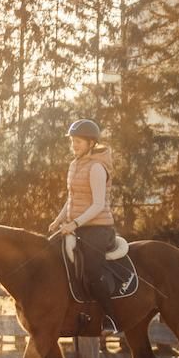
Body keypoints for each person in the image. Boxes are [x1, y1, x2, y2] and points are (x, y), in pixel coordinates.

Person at [47, 118, 120, 325]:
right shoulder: (75, 165)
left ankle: (110, 317)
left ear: (91, 143)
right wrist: (58, 220)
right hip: (76, 225)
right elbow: (72, 197)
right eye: (73, 141)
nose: (74, 145)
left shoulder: (97, 168)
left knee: (92, 271)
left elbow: (97, 205)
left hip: (97, 229)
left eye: (78, 141)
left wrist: (74, 224)